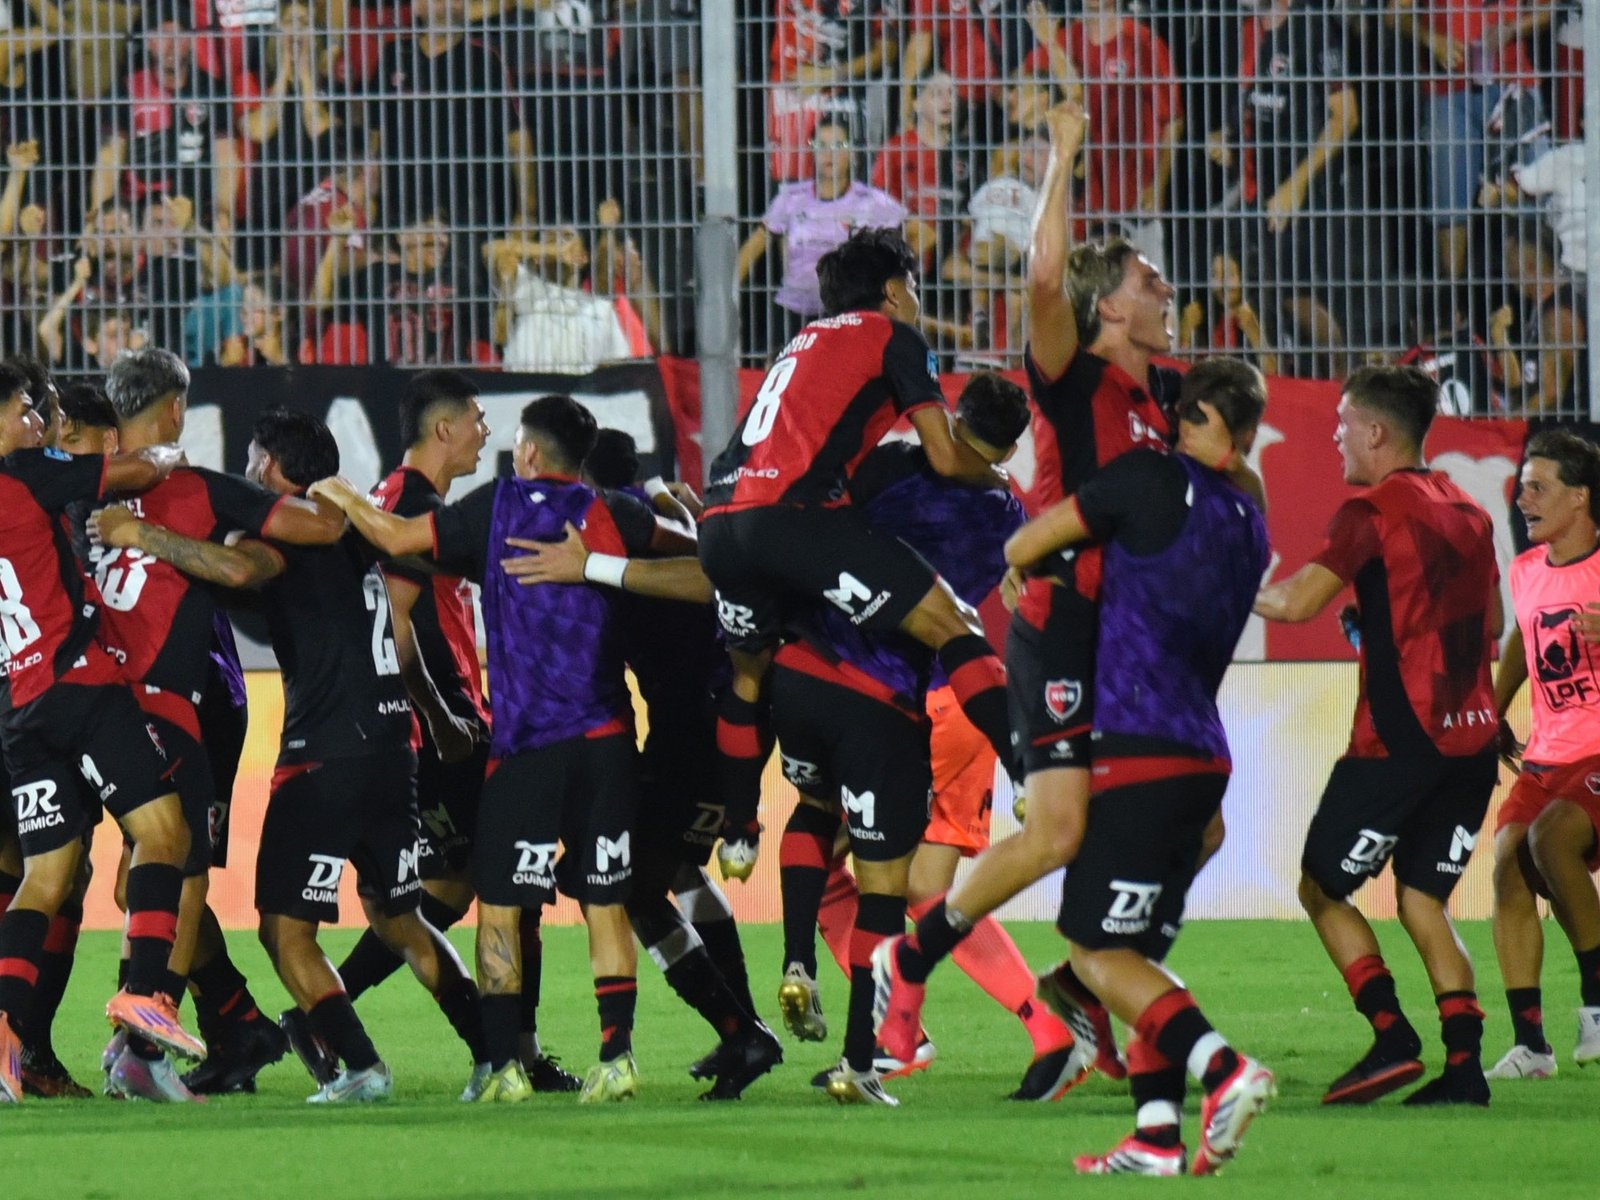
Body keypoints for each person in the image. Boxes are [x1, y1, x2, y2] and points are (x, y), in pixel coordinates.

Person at [874, 103, 1258, 1066]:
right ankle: (911, 961)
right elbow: (1044, 276)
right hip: (1056, 627)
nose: (1164, 286)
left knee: (1201, 823)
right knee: (1055, 832)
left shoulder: (1163, 401)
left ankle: (1089, 978)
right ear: (1109, 307)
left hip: (1124, 645)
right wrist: (1066, 157)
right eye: (1145, 279)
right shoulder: (1072, 375)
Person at [95, 408, 491, 1104]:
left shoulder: (293, 537)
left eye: (253, 461)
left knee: (286, 930)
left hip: (324, 759)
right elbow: (401, 633)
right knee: (403, 919)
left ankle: (362, 1066)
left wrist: (142, 535)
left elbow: (230, 566)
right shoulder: (363, 533)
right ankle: (494, 1060)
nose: (249, 474)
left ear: (274, 467)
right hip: (393, 751)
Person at [950, 358, 1274, 1176]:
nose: (1168, 424)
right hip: (1206, 759)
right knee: (1137, 957)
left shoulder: (1147, 482)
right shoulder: (1250, 516)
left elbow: (1027, 543)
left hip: (1135, 748)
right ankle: (1156, 1137)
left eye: (1182, 416)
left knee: (1095, 954)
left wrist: (1034, 564)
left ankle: (1225, 1069)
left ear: (1201, 420)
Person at [309, 396, 649, 1105]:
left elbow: (396, 540)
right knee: (606, 904)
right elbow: (700, 562)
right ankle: (616, 1057)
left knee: (497, 905)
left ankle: (506, 1068)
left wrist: (337, 488)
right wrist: (611, 569)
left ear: (528, 455)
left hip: (525, 747)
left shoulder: (499, 506)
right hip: (610, 740)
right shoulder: (613, 513)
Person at [770, 373, 1084, 1104]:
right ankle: (910, 1034)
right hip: (952, 692)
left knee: (891, 883)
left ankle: (922, 1034)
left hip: (896, 696)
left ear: (952, 418)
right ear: (1012, 445)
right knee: (915, 891)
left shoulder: (887, 466)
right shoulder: (1009, 511)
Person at [697, 225, 1013, 887]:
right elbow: (945, 455)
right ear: (895, 292)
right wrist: (997, 478)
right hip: (792, 516)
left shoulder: (801, 344)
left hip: (719, 518)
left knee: (747, 673)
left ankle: (737, 829)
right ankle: (1032, 769)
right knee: (951, 622)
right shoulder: (893, 337)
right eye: (916, 286)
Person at [86, 350, 345, 1100]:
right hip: (162, 705)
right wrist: (246, 555)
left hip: (122, 706)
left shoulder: (82, 486)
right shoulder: (193, 486)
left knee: (152, 880)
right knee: (163, 880)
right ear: (175, 411)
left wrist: (241, 558)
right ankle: (184, 1028)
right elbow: (318, 527)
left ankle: (181, 1028)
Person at [1254, 364, 1500, 1107]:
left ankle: (1391, 1035)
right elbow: (1488, 625)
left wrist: (1205, 580)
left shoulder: (1371, 512)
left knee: (1323, 887)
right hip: (1475, 741)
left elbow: (1296, 603)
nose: (1334, 437)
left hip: (1399, 746)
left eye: (1341, 423)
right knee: (1424, 901)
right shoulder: (1470, 508)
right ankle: (1465, 1071)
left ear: (1375, 432)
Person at [0, 363, 202, 1106]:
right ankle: (144, 992)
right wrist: (170, 455)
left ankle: (3, 1031)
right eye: (26, 409)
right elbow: (139, 467)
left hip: (20, 708)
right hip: (80, 687)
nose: (38, 421)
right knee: (165, 833)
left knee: (45, 877)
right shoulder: (25, 472)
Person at [1486, 430, 1600, 1077]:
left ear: (1580, 497)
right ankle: (1531, 1045)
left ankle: (1597, 1007)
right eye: (1522, 485)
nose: (1522, 497)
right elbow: (1517, 640)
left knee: (1549, 841)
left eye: (1538, 486)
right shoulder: (1527, 570)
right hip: (1548, 753)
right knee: (1508, 862)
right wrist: (1492, 709)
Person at [737, 117, 908, 340]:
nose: (830, 153)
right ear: (812, 154)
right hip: (794, 311)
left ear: (854, 154)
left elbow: (915, 237)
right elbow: (754, 246)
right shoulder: (791, 198)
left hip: (849, 312)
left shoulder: (872, 201)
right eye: (821, 146)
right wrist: (726, 295)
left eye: (839, 145)